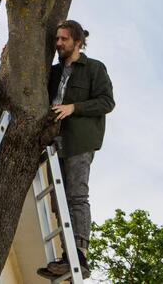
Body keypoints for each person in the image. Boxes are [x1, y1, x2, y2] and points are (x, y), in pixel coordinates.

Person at [38, 20, 115, 279]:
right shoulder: (53, 71)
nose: (58, 43)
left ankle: (80, 255)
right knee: (59, 203)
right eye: (57, 39)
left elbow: (106, 102)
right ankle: (66, 256)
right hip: (53, 143)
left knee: (76, 196)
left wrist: (74, 108)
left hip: (79, 141)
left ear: (78, 42)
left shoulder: (94, 68)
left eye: (64, 39)